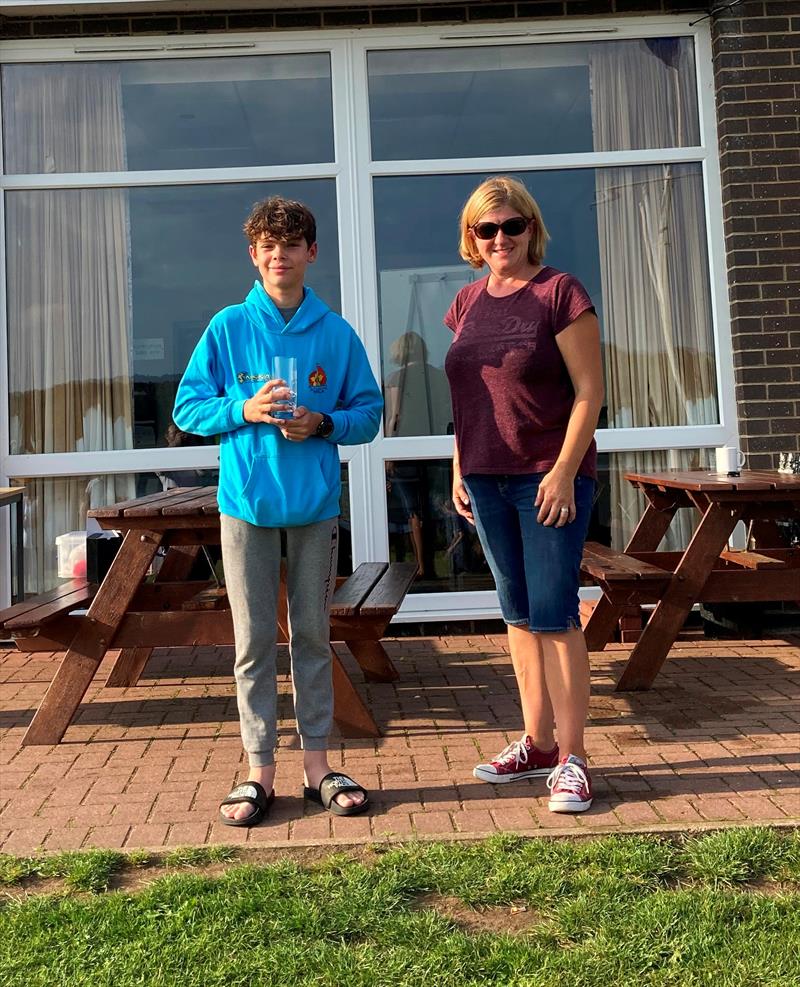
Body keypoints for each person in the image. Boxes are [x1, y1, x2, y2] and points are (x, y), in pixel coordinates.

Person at [173, 196, 382, 826]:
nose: (279, 255)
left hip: (315, 509)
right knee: (253, 641)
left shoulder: (336, 332)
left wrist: (323, 423)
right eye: (267, 245)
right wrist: (243, 410)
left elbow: (368, 416)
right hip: (245, 509)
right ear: (254, 255)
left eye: (291, 245)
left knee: (313, 637)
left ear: (311, 254)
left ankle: (318, 766)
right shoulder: (228, 326)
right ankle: (259, 769)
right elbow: (188, 409)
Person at [444, 176, 604, 813]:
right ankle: (536, 743)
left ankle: (573, 757)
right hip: (485, 478)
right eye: (488, 229)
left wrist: (565, 470)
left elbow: (589, 390)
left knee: (555, 614)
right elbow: (468, 398)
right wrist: (460, 466)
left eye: (513, 226)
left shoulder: (560, 293)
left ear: (532, 228)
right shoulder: (465, 303)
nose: (501, 238)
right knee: (515, 614)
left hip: (547, 476)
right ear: (472, 238)